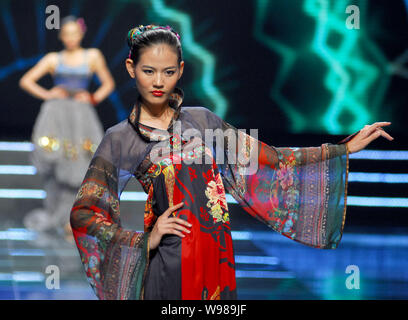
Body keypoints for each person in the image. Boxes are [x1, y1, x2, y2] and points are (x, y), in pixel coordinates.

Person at [69, 24, 394, 300]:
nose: (158, 82)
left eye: (168, 72)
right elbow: (85, 212)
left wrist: (343, 149)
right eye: (148, 71)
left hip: (217, 257)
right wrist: (146, 239)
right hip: (169, 263)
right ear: (130, 68)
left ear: (180, 70)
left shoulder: (203, 121)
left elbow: (272, 159)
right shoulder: (120, 138)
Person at [19, 16, 115, 240]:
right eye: (67, 34)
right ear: (61, 36)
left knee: (82, 162)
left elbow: (108, 83)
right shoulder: (54, 58)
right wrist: (48, 94)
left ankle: (77, 219)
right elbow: (26, 80)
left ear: (81, 34)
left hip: (82, 117)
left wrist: (93, 97)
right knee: (57, 162)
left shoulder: (92, 55)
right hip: (57, 116)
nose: (71, 38)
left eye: (75, 33)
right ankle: (60, 216)